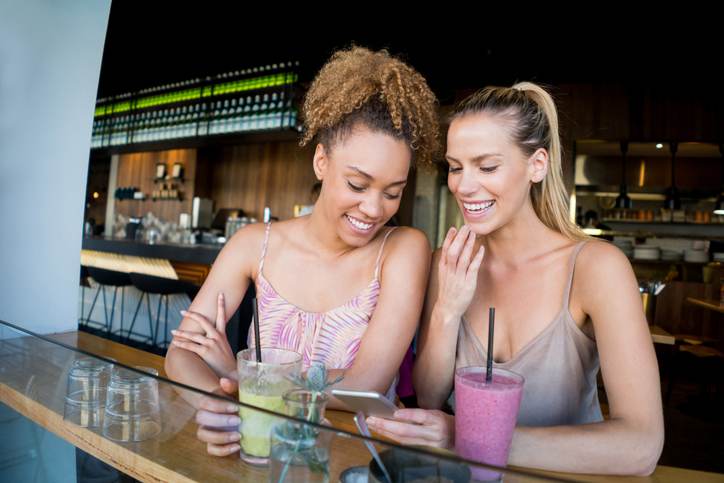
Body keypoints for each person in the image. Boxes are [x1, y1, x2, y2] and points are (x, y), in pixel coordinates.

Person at [365, 82, 664, 476]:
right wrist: (447, 310)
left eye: (487, 166)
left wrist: (471, 437)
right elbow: (430, 398)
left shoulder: (597, 268)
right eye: (455, 167)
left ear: (536, 165)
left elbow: (641, 446)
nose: (464, 185)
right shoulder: (449, 263)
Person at [164, 46, 441, 456]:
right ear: (321, 161)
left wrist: (246, 377)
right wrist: (222, 405)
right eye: (358, 185)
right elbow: (181, 354)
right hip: (259, 451)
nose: (374, 209)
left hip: (353, 459)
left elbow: (364, 387)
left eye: (393, 192)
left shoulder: (404, 250)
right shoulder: (253, 245)